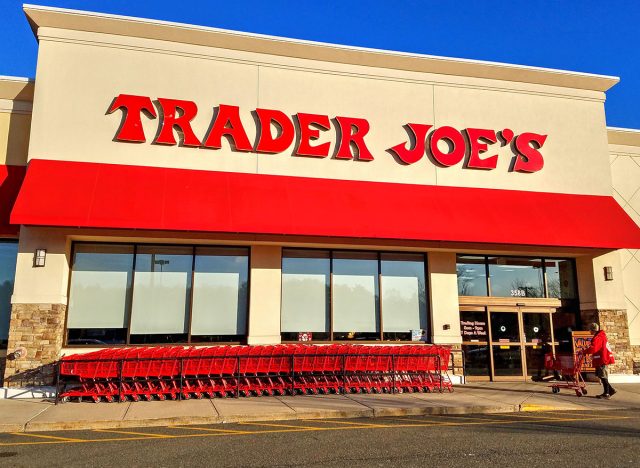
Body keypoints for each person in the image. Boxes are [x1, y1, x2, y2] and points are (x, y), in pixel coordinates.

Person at [584, 323, 616, 399]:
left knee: (603, 375)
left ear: (593, 330)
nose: (589, 332)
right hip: (602, 358)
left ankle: (607, 393)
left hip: (602, 358)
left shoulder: (598, 337)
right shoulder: (601, 336)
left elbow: (594, 348)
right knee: (601, 375)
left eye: (590, 330)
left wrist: (584, 351)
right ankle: (610, 390)